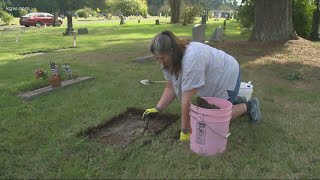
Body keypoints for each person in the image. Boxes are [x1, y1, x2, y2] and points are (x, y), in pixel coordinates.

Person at [142, 30, 262, 142]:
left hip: (228, 75)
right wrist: (158, 109)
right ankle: (234, 101)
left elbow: (187, 100)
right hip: (212, 78)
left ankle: (250, 105)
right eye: (157, 58)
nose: (160, 62)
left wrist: (185, 130)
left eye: (162, 58)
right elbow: (171, 87)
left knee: (213, 119)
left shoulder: (192, 58)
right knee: (203, 111)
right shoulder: (167, 62)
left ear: (172, 51)